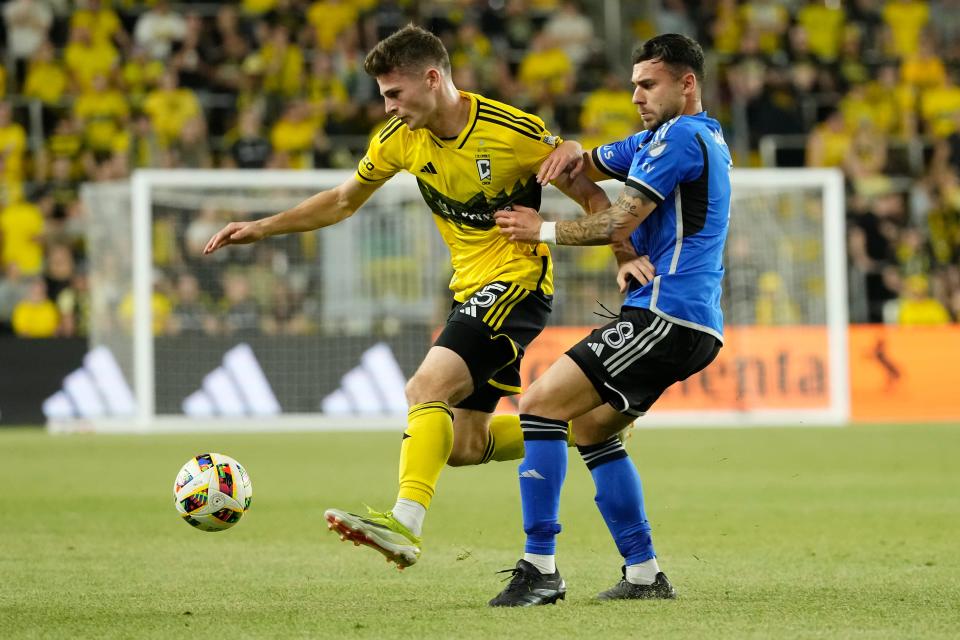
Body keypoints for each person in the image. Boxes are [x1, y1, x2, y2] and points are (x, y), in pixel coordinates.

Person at [203, 24, 611, 570]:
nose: (388, 106)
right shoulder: (398, 139)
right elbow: (344, 200)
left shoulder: (511, 131)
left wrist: (622, 253)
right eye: (383, 97)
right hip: (470, 288)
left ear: (433, 78)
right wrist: (264, 226)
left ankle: (404, 523)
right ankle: (592, 417)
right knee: (466, 445)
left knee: (426, 387)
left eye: (395, 93)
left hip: (518, 283)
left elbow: (593, 197)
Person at [487, 33, 731, 606]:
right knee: (593, 429)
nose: (637, 96)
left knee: (540, 403)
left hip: (668, 314)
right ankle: (645, 575)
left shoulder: (683, 138)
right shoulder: (663, 137)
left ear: (686, 83)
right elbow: (581, 166)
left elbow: (616, 218)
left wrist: (539, 230)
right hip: (691, 323)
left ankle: (539, 567)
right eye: (633, 86)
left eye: (648, 85)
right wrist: (569, 144)